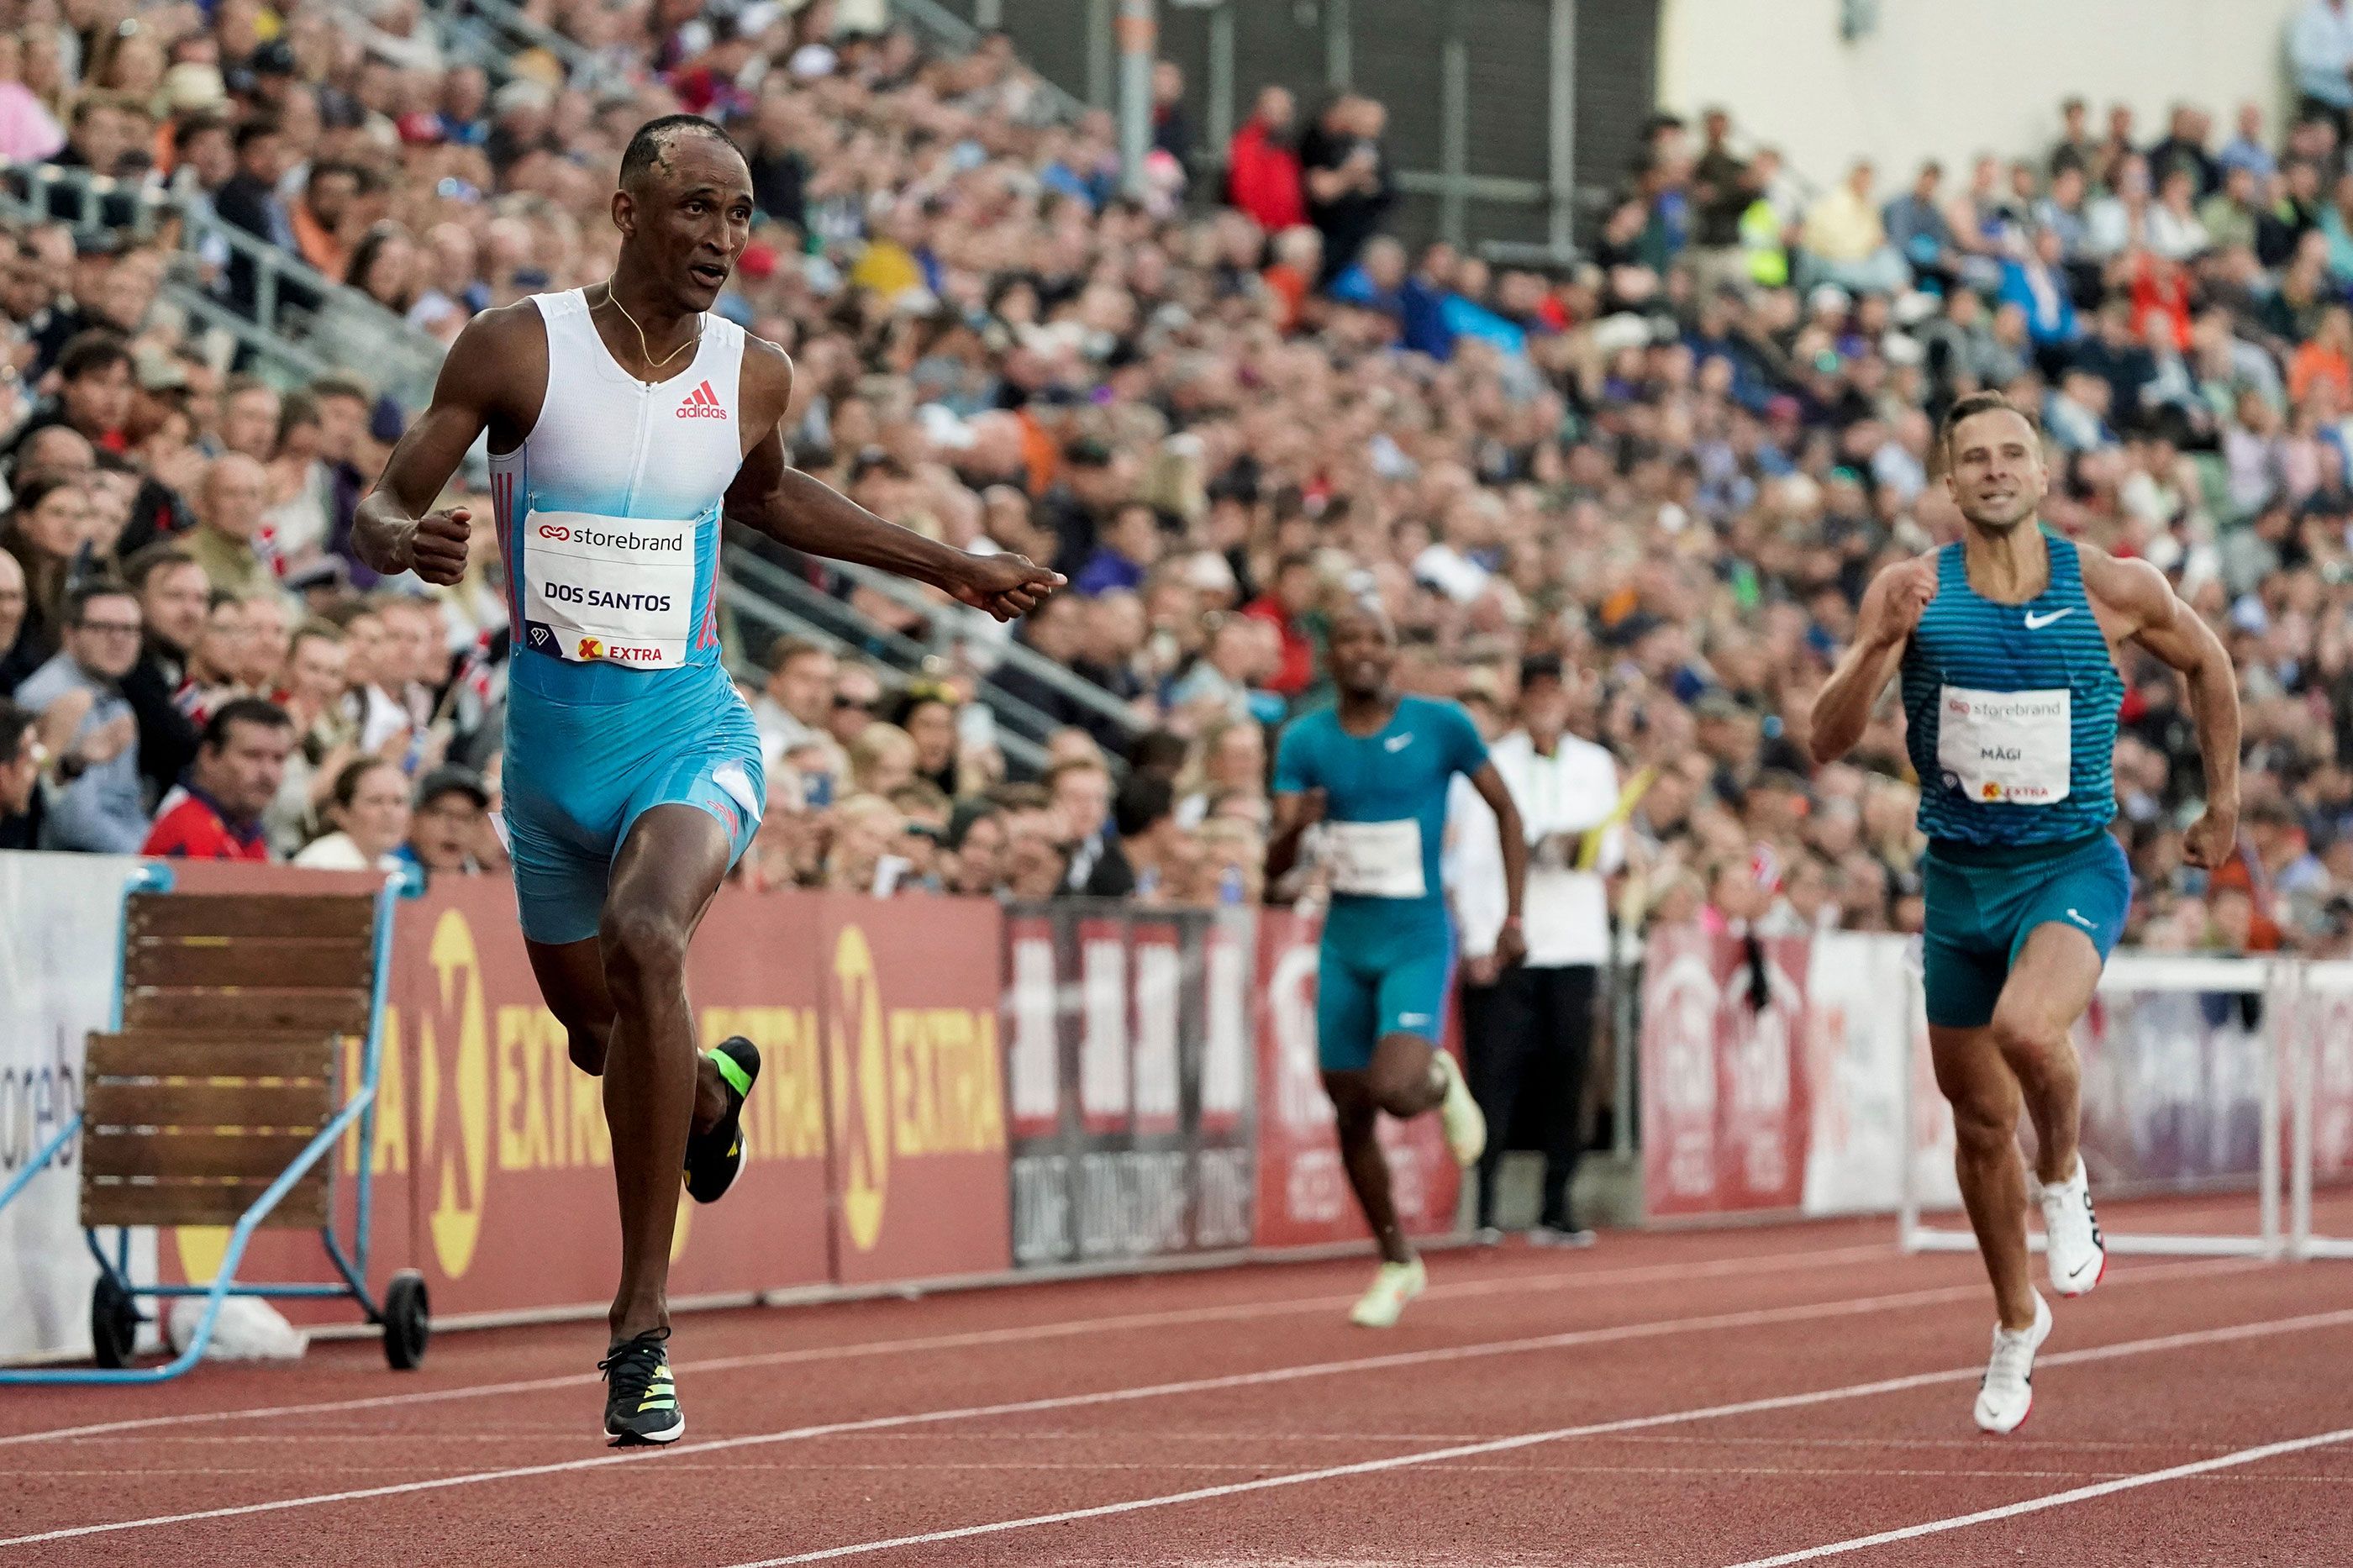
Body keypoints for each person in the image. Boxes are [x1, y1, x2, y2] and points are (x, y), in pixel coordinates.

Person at [350, 113, 1061, 1445]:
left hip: (689, 734)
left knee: (646, 936)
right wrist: (404, 540)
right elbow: (384, 499)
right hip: (551, 759)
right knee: (596, 1032)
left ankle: (639, 1328)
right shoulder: (518, 346)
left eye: (740, 218)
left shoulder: (751, 373)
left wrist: (947, 565)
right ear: (627, 211)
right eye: (695, 211)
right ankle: (717, 1093)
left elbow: (770, 500)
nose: (722, 241)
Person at [1809, 391, 2240, 1435]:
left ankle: (2064, 1180)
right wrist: (1878, 648)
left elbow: (2210, 665)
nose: (1996, 470)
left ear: (2044, 475)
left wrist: (2220, 798)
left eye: (2015, 454)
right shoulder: (1911, 590)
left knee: (2026, 1030)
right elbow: (1826, 739)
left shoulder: (2113, 586)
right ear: (1950, 484)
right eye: (1975, 458)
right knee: (1974, 1124)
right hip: (1958, 883)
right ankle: (2015, 1321)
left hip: (2069, 868)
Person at [1266, 602, 1527, 1328]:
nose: (1363, 650)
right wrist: (1297, 828)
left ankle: (1440, 1078)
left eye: (1377, 638)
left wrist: (1513, 916)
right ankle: (1396, 1262)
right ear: (1330, 656)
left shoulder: (1442, 725)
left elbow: (1508, 814)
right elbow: (1274, 866)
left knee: (1396, 1088)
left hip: (1416, 933)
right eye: (1348, 637)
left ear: (1394, 653)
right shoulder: (1305, 739)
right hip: (1347, 937)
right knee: (1349, 1108)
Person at [13, 580, 146, 853]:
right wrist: (150, 858)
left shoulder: (113, 693)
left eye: (130, 629)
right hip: (66, 871)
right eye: (104, 628)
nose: (119, 639)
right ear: (70, 634)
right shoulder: (54, 697)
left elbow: (127, 803)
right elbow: (76, 823)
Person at [143, 696, 295, 861]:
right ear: (209, 756)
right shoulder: (189, 831)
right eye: (252, 755)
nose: (268, 772)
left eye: (279, 759)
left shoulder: (245, 830)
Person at [294, 756, 412, 870]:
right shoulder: (320, 863)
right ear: (342, 813)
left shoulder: (396, 869)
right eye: (375, 801)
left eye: (398, 801)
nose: (389, 812)